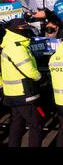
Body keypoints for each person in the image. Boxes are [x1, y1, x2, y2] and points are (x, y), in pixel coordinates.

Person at [1, 18, 43, 147]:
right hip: (24, 93)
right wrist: (40, 78)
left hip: (12, 93)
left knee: (17, 124)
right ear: (19, 30)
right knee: (36, 124)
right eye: (25, 29)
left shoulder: (9, 44)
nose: (27, 32)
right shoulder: (16, 47)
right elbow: (28, 69)